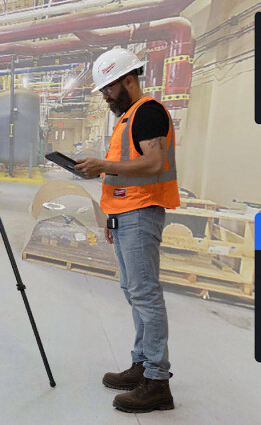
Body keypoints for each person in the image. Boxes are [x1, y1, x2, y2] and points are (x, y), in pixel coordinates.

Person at [74, 48, 180, 413]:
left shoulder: (147, 112)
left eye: (108, 88)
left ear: (127, 80)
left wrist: (102, 164)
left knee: (146, 295)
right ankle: (141, 365)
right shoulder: (129, 117)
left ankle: (157, 381)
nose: (105, 96)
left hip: (142, 214)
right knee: (134, 293)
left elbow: (153, 162)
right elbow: (125, 173)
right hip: (126, 215)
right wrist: (111, 218)